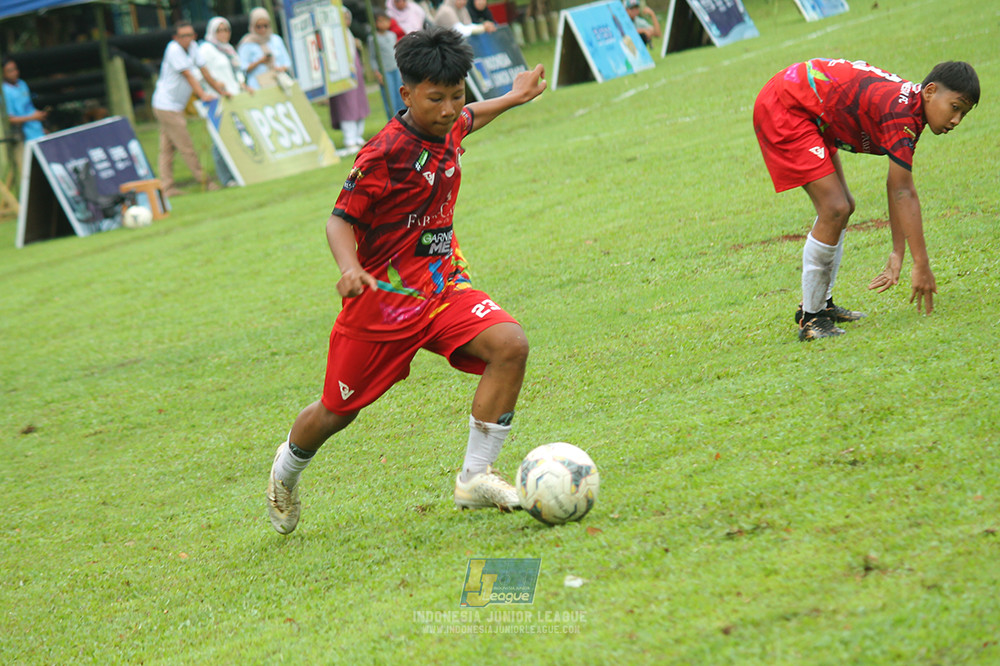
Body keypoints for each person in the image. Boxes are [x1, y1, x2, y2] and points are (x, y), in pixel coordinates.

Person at [266, 26, 547, 535]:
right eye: (435, 99)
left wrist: (513, 97)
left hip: (441, 287)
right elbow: (339, 220)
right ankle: (285, 471)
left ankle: (475, 476)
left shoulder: (449, 124)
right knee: (336, 411)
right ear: (407, 94)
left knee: (510, 344)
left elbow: (468, 120)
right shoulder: (384, 153)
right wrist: (350, 270)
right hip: (384, 304)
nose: (447, 109)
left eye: (456, 95)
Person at [752, 59, 980, 341]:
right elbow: (903, 192)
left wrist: (898, 252)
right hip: (786, 105)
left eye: (963, 114)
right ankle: (811, 319)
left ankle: (822, 304)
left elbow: (896, 185)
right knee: (834, 208)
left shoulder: (912, 110)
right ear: (930, 92)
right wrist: (920, 264)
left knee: (844, 205)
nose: (956, 120)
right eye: (955, 107)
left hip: (806, 104)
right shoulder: (902, 115)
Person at [151, 21, 230, 196]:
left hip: (175, 105)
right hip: (166, 105)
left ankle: (167, 187)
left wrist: (220, 91)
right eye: (183, 36)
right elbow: (188, 75)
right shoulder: (173, 50)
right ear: (175, 38)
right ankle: (206, 182)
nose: (188, 39)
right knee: (185, 145)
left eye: (190, 35)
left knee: (167, 148)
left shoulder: (193, 47)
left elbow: (204, 71)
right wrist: (203, 95)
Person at [198, 17, 250, 187]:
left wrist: (243, 84)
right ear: (212, 32)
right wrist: (215, 87)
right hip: (217, 99)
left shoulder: (229, 49)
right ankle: (226, 178)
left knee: (239, 134)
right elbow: (199, 74)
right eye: (219, 30)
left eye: (226, 29)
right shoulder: (206, 49)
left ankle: (241, 171)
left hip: (234, 97)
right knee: (220, 139)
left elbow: (237, 71)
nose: (223, 33)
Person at [328, 8, 370, 153]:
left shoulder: (348, 33)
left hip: (355, 74)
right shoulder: (334, 35)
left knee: (358, 104)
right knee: (346, 106)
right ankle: (349, 138)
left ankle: (358, 136)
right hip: (342, 76)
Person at [2, 56, 47, 180]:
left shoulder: (22, 84)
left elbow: (29, 108)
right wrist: (33, 117)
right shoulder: (4, 91)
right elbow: (9, 119)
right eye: (10, 70)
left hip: (36, 131)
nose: (15, 73)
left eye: (15, 69)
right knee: (27, 174)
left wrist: (39, 121)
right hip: (22, 136)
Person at [238, 7, 293, 90]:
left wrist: (280, 69)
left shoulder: (275, 40)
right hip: (257, 86)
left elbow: (286, 62)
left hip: (278, 84)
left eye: (265, 26)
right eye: (259, 26)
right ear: (253, 26)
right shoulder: (247, 44)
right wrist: (260, 61)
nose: (262, 29)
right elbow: (243, 68)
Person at [369, 10, 407, 121]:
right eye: (380, 21)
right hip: (385, 71)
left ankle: (403, 118)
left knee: (399, 94)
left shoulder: (392, 35)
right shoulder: (373, 38)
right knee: (389, 97)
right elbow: (372, 57)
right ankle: (393, 120)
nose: (383, 24)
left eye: (386, 21)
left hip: (395, 69)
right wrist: (377, 73)